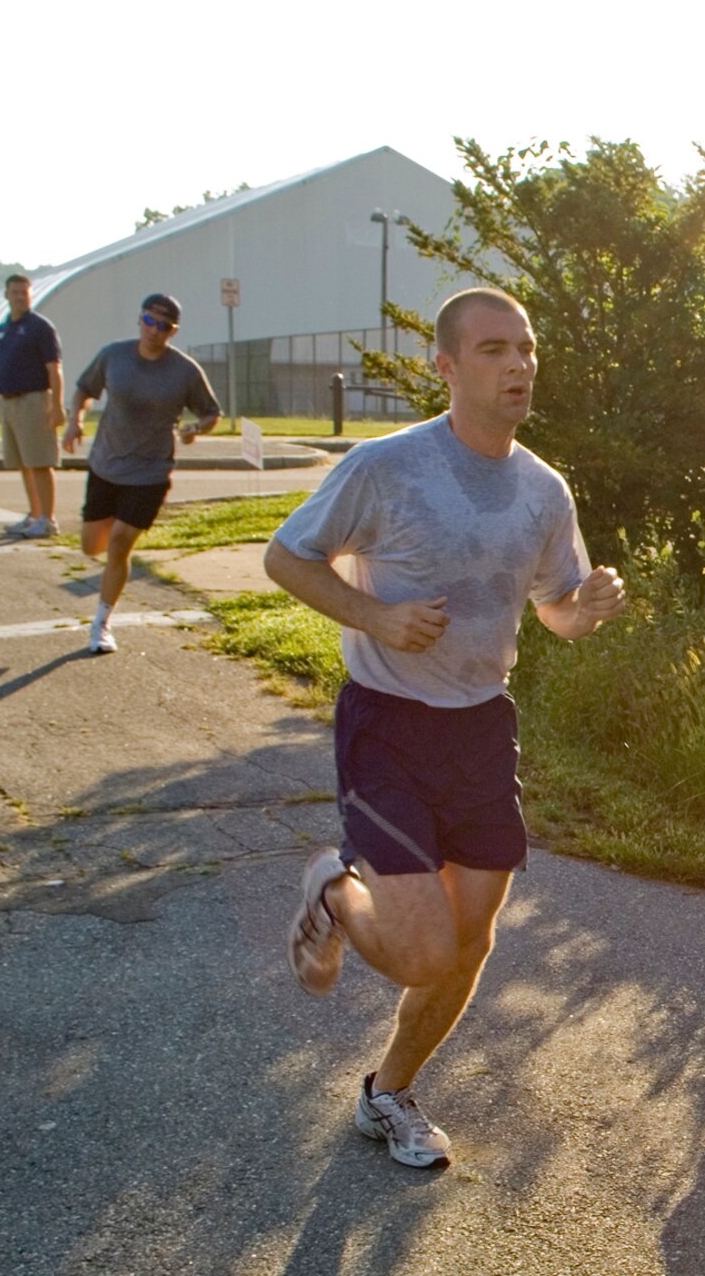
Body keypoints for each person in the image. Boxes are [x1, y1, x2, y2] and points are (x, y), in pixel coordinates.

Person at [267, 287, 625, 1168]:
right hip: (386, 723)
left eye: (528, 349)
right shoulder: (387, 467)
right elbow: (286, 555)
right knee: (426, 949)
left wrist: (590, 608)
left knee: (471, 939)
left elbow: (556, 612)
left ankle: (388, 1092)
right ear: (448, 365)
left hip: (480, 728)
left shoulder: (543, 489)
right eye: (496, 349)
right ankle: (332, 888)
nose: (520, 366)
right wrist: (375, 616)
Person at [62, 294, 220, 655]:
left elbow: (212, 413)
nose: (154, 331)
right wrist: (75, 420)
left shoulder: (185, 370)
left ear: (173, 331)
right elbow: (85, 389)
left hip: (150, 472)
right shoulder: (113, 355)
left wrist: (197, 428)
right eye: (149, 321)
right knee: (92, 547)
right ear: (140, 320)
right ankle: (111, 541)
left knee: (119, 544)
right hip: (106, 464)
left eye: (163, 326)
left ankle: (101, 624)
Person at [0, 274, 65, 537]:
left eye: (24, 293)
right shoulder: (2, 330)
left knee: (40, 461)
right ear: (6, 295)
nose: (19, 297)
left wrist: (56, 405)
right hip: (9, 401)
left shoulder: (40, 327)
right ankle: (34, 514)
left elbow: (54, 369)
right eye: (15, 292)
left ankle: (48, 519)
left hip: (34, 400)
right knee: (24, 463)